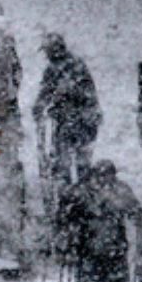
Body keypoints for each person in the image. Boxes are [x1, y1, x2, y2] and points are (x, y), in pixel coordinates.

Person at [33, 33, 102, 195]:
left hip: (80, 122)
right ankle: (70, 196)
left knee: (74, 163)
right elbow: (46, 92)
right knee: (66, 162)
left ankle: (77, 198)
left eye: (48, 51)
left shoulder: (73, 66)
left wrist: (53, 102)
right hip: (75, 121)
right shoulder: (58, 68)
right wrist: (39, 106)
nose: (47, 56)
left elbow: (75, 93)